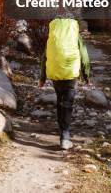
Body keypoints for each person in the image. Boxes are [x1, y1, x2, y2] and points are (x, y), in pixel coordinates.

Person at [39, 17, 91, 150]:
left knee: (60, 100)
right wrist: (87, 76)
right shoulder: (75, 36)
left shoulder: (53, 37)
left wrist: (42, 78)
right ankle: (65, 137)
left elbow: (45, 57)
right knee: (67, 103)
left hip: (55, 71)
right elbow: (84, 56)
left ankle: (62, 131)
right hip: (71, 72)